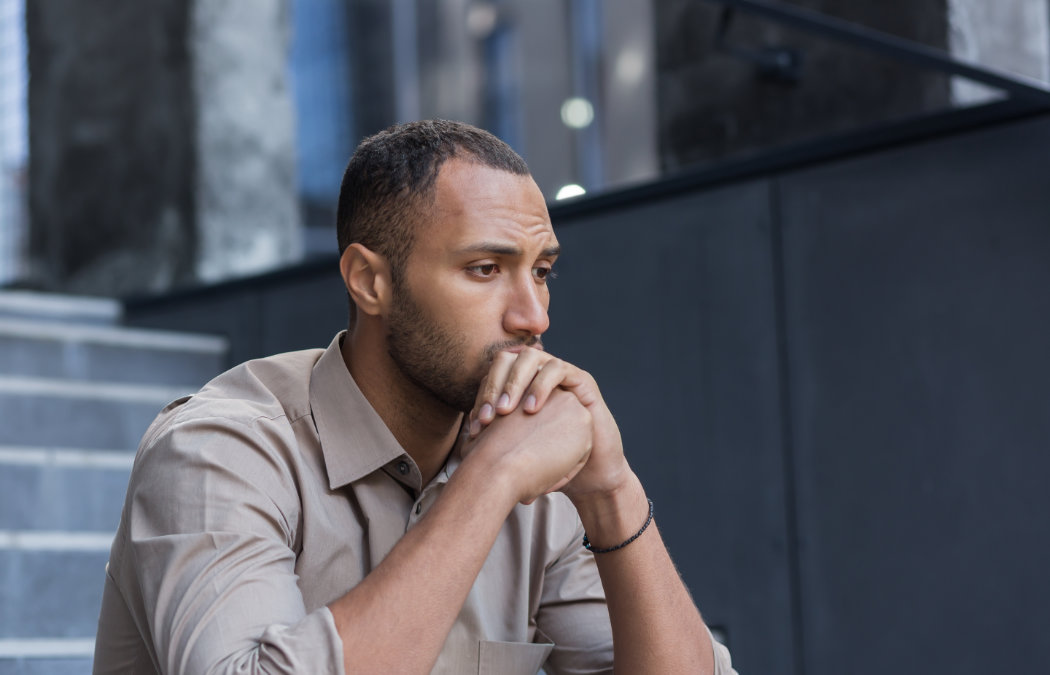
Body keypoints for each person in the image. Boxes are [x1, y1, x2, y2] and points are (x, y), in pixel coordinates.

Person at [93, 120, 736, 674]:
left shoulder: (540, 478)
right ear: (370, 281)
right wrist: (490, 481)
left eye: (541, 272)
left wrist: (611, 491)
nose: (533, 316)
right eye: (485, 269)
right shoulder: (219, 450)